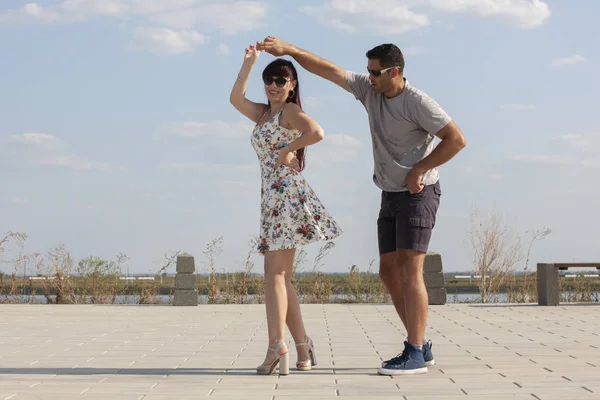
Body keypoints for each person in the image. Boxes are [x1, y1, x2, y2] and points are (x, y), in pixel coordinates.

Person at [258, 37, 467, 376]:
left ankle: (414, 351)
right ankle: (421, 344)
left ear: (394, 72)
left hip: (419, 193)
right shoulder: (371, 91)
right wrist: (291, 51)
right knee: (388, 271)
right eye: (368, 71)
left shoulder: (419, 103)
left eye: (375, 72)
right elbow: (329, 71)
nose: (368, 77)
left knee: (410, 270)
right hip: (390, 193)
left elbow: (456, 139)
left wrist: (419, 169)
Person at [229, 43, 342, 376]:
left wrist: (290, 148)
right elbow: (236, 100)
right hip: (272, 199)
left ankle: (276, 346)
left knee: (274, 277)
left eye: (281, 80)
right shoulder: (264, 114)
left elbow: (317, 132)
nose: (274, 86)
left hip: (286, 197)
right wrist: (249, 64)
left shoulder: (288, 112)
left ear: (292, 85)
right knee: (281, 278)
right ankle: (303, 344)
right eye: (269, 80)